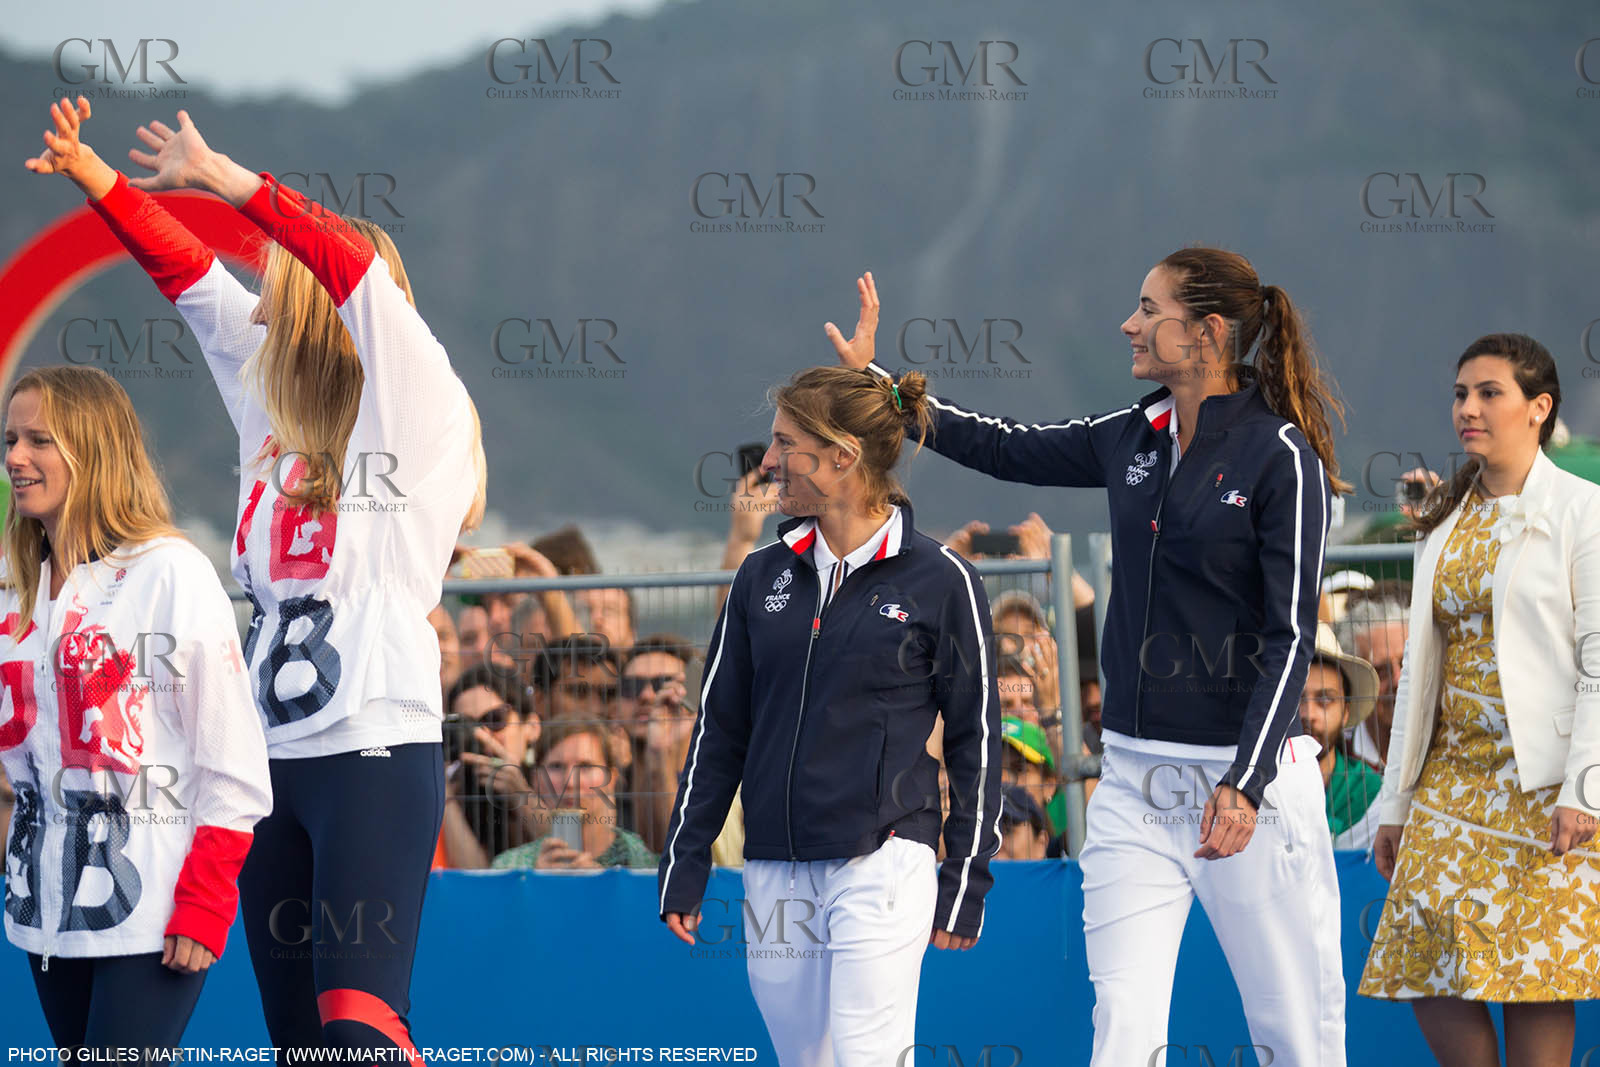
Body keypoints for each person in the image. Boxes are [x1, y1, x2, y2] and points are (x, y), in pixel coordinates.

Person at [42, 97, 485, 1060]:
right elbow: (187, 277)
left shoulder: (415, 399)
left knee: (358, 1029)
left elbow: (351, 268)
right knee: (301, 1043)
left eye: (278, 288)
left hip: (373, 745)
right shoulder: (267, 401)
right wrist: (97, 178)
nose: (257, 308)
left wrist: (224, 178)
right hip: (265, 761)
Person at [833, 254, 1347, 1064]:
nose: (1129, 325)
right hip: (1134, 783)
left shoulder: (1281, 456)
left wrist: (1246, 782)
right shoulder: (1133, 433)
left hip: (1249, 784)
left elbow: (1291, 636)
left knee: (1297, 1036)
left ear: (1207, 332)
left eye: (1149, 309)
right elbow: (1004, 447)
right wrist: (884, 387)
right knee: (1123, 1029)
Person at [657, 365, 1002, 1065]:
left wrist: (966, 875)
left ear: (842, 457)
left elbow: (978, 739)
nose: (769, 461)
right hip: (774, 865)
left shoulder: (944, 580)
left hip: (886, 857)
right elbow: (719, 729)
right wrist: (685, 858)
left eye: (786, 443)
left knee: (868, 1052)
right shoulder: (760, 574)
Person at [0, 364, 271, 1051]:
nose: (15, 458)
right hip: (42, 912)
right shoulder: (13, 588)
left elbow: (235, 764)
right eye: (10, 440)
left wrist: (206, 902)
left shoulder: (169, 572)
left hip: (153, 911)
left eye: (39, 440)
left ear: (92, 449)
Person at [1360, 334, 1600, 1067]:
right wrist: (1395, 802)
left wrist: (1585, 789)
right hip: (1449, 778)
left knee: (1535, 973)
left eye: (1489, 393)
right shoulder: (1444, 514)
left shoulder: (1582, 509)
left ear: (1539, 407)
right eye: (1461, 394)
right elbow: (1418, 671)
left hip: (1545, 782)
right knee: (1424, 960)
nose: (1468, 408)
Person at [492, 719, 655, 870]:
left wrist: (603, 884)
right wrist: (536, 883)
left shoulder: (646, 863)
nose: (570, 782)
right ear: (536, 779)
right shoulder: (509, 867)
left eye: (585, 767)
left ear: (611, 778)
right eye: (556, 766)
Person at [438, 665, 541, 868]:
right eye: (468, 726)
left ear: (532, 727)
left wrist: (521, 796)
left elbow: (568, 852)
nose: (482, 735)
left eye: (495, 719)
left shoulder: (556, 776)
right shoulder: (453, 793)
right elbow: (475, 877)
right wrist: (444, 793)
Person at [1297, 623, 1382, 848]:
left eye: (1325, 699)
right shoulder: (1253, 789)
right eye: (1295, 699)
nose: (1308, 714)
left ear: (1346, 712)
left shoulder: (1372, 793)